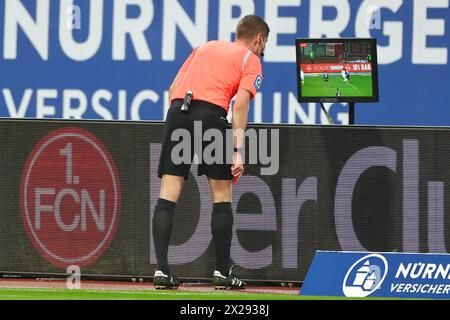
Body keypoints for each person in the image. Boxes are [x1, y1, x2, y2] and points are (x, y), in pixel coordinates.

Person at [152, 15, 269, 290]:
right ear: (259, 39)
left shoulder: (203, 48)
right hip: (211, 116)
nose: (263, 51)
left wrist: (181, 122)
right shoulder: (250, 59)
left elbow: (172, 90)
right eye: (264, 46)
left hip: (177, 112)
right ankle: (222, 272)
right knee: (221, 194)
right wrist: (237, 150)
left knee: (168, 192)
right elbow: (240, 105)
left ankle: (161, 271)